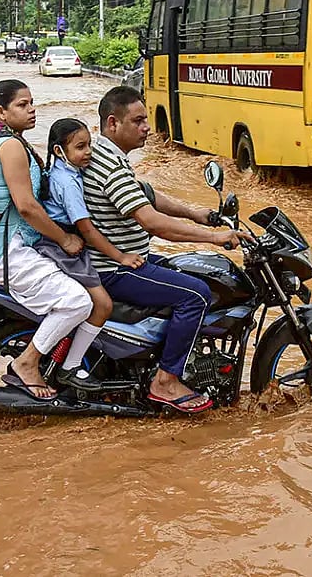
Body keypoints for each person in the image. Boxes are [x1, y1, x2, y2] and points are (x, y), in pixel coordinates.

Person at [83, 85, 250, 414]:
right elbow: (153, 222)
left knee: (187, 270)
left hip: (121, 259)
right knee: (197, 294)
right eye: (139, 120)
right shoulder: (111, 168)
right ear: (113, 123)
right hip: (114, 268)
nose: (147, 127)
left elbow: (147, 194)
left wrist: (197, 213)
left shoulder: (104, 155)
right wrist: (214, 237)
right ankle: (166, 381)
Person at [0, 80, 96, 400]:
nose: (32, 110)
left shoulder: (5, 141)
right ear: (1, 111)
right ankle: (28, 362)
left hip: (10, 246)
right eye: (22, 105)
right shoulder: (10, 146)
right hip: (6, 250)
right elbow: (27, 207)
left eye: (32, 103)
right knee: (79, 301)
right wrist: (66, 239)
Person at [33, 117, 146, 391]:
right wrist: (121, 257)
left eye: (89, 145)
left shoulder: (65, 171)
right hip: (65, 246)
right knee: (103, 305)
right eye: (80, 147)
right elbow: (87, 229)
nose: (88, 153)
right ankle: (70, 366)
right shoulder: (69, 183)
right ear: (60, 151)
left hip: (60, 241)